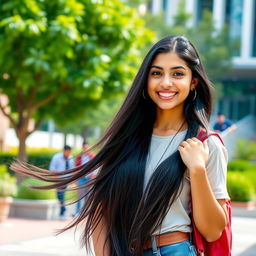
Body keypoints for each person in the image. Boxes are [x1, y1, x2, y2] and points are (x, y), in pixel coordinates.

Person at [12, 36, 230, 256]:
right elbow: (101, 209)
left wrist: (198, 170)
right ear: (145, 80)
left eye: (177, 74)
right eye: (156, 73)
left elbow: (212, 232)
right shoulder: (127, 139)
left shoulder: (206, 144)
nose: (165, 82)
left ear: (193, 82)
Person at [49, 145, 74, 220]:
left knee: (61, 194)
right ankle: (63, 210)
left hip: (66, 180)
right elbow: (52, 168)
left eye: (69, 152)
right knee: (59, 195)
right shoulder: (56, 157)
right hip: (58, 179)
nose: (68, 153)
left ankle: (62, 212)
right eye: (67, 152)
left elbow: (72, 169)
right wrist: (56, 178)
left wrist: (71, 180)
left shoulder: (70, 158)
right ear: (64, 151)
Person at [73, 140, 95, 216]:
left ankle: (86, 212)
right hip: (81, 178)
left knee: (88, 196)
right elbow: (76, 168)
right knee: (80, 195)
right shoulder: (79, 157)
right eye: (84, 147)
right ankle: (78, 212)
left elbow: (95, 168)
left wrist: (93, 176)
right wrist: (75, 179)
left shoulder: (92, 156)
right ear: (82, 148)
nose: (86, 149)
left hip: (89, 178)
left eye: (87, 147)